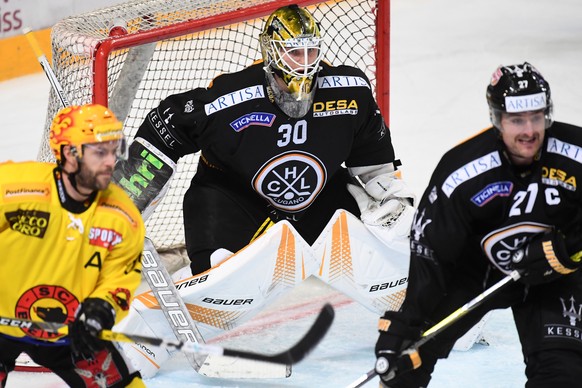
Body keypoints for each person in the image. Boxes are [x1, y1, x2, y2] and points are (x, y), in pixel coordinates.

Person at [113, 4, 414, 276]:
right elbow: (167, 126)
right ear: (271, 51)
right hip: (237, 202)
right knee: (221, 273)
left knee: (390, 250)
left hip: (318, 201)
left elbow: (372, 160)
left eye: (311, 51)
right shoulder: (231, 99)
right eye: (294, 52)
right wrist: (124, 202)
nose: (305, 62)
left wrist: (389, 196)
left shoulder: (349, 91)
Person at [374, 62, 582, 387]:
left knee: (563, 374)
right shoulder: (462, 172)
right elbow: (431, 254)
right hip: (476, 272)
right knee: (407, 357)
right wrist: (407, 321)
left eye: (536, 117)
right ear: (497, 119)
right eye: (516, 120)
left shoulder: (576, 153)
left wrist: (567, 250)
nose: (529, 130)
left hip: (555, 276)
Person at [0, 104, 146, 387]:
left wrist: (100, 310)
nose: (110, 161)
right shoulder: (14, 188)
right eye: (99, 152)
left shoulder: (122, 216)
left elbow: (120, 277)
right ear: (69, 154)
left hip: (70, 331)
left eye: (114, 149)